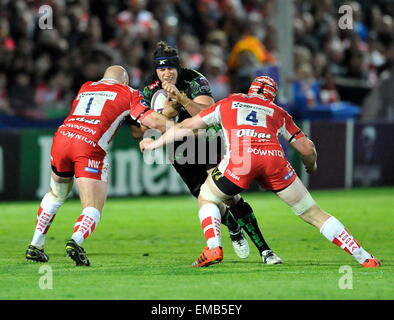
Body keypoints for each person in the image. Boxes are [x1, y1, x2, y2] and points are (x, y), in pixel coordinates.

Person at [140, 76, 381, 268]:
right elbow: (306, 147)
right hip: (274, 161)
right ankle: (363, 257)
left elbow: (186, 126)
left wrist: (154, 143)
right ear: (272, 96)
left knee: (207, 196)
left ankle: (213, 247)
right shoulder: (277, 112)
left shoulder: (229, 103)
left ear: (251, 89)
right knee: (313, 213)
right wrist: (311, 165)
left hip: (241, 161)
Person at [137, 41, 282, 264]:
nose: (167, 74)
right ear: (156, 70)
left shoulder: (195, 80)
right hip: (179, 148)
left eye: (171, 68)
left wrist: (182, 98)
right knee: (204, 199)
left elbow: (209, 113)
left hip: (207, 141)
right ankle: (233, 227)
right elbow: (142, 128)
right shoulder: (148, 88)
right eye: (162, 69)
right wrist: (167, 112)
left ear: (179, 67)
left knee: (229, 196)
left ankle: (266, 251)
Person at [25, 65, 171, 266]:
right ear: (125, 81)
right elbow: (152, 120)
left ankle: (36, 245)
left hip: (63, 137)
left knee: (56, 194)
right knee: (93, 206)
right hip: (88, 145)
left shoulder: (86, 87)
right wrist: (177, 126)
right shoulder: (128, 93)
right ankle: (76, 241)